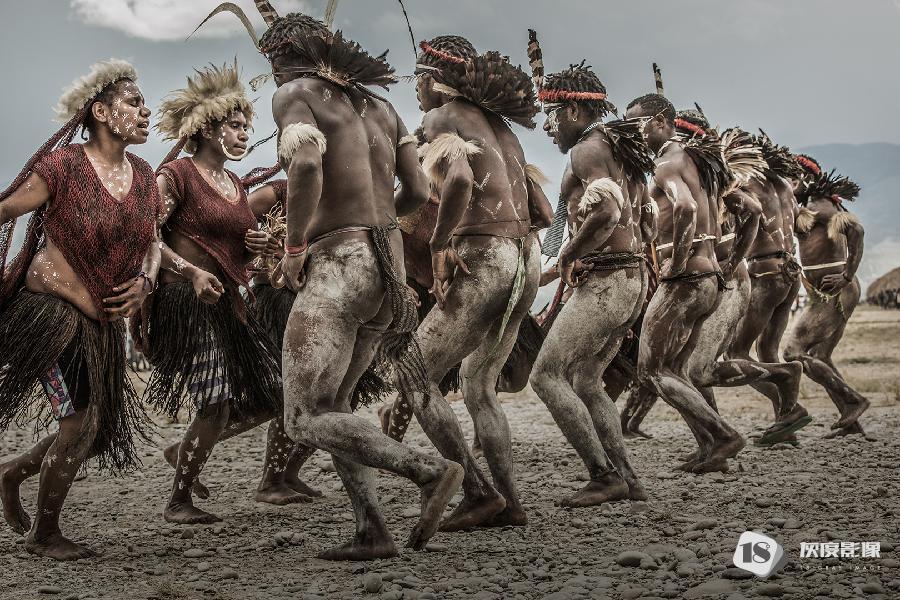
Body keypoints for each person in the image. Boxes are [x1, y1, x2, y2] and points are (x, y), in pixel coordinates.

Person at [238, 7, 464, 559]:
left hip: (340, 264)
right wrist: (375, 220)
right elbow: (417, 191)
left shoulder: (294, 94)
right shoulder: (383, 107)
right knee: (335, 405)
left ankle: (428, 470)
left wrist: (295, 247)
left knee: (302, 418)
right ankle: (372, 530)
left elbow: (306, 166)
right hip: (387, 269)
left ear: (278, 59)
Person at [0, 60, 159, 559]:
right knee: (80, 423)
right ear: (101, 112)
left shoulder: (143, 174)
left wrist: (146, 282)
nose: (145, 110)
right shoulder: (64, 166)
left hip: (102, 322)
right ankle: (44, 535)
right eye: (134, 101)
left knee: (96, 430)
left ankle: (11, 473)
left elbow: (153, 242)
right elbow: (5, 209)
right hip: (52, 315)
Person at [143, 62, 310, 524]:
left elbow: (235, 251)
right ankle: (178, 501)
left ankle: (183, 453)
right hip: (186, 303)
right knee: (215, 402)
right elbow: (146, 237)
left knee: (273, 396)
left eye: (245, 127)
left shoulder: (234, 184)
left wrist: (257, 246)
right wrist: (190, 272)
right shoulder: (176, 175)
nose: (243, 134)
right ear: (206, 128)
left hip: (227, 302)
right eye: (235, 126)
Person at [409, 33, 549, 528]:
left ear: (433, 79)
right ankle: (510, 503)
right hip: (525, 257)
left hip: (486, 256)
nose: (415, 91)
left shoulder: (441, 118)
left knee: (412, 373)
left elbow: (461, 180)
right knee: (479, 387)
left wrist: (439, 244)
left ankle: (476, 492)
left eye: (417, 80)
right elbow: (543, 210)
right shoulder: (501, 128)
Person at [527, 42, 655, 505]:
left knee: (546, 376)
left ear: (575, 111)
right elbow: (647, 220)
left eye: (552, 115)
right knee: (585, 380)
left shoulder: (587, 150)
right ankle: (627, 478)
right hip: (630, 277)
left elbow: (607, 212)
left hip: (609, 281)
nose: (548, 127)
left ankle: (603, 475)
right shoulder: (620, 149)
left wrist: (569, 255)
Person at [625, 93, 745, 473]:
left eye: (637, 124)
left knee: (650, 371)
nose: (633, 133)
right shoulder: (696, 162)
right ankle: (709, 448)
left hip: (686, 280)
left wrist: (675, 263)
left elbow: (685, 207)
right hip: (709, 277)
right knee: (675, 369)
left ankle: (724, 435)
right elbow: (746, 211)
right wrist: (730, 262)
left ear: (661, 121)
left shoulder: (666, 164)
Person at [786, 157, 870, 438]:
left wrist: (846, 275)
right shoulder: (811, 207)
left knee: (793, 352)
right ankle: (852, 424)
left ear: (808, 179)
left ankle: (854, 401)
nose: (790, 184)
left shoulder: (818, 206)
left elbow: (857, 230)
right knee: (820, 356)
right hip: (830, 291)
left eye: (794, 179)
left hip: (836, 291)